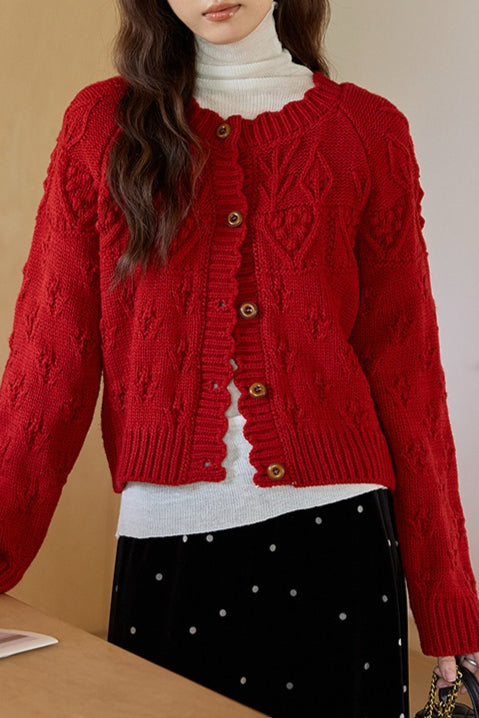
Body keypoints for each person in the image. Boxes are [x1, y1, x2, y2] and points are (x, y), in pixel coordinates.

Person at [1, 0, 478, 715]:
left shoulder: (368, 130)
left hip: (340, 537)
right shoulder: (102, 124)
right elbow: (47, 363)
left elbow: (407, 373)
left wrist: (447, 605)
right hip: (166, 541)